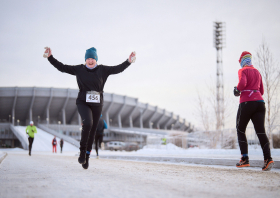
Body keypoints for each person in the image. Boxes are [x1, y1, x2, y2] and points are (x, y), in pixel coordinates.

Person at [44, 46, 136, 169]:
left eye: (93, 58)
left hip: (97, 104)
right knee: (87, 123)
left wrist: (128, 61)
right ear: (85, 59)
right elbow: (62, 67)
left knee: (92, 131)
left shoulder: (103, 70)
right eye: (88, 58)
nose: (91, 61)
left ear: (96, 59)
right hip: (83, 101)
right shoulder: (79, 69)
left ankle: (87, 157)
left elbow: (118, 69)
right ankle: (82, 152)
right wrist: (50, 57)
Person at [234, 51, 274, 171]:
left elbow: (242, 83)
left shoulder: (242, 71)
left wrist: (237, 89)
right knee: (260, 132)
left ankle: (245, 159)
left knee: (240, 129)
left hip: (246, 103)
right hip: (260, 103)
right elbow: (261, 90)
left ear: (242, 61)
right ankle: (268, 159)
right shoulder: (257, 72)